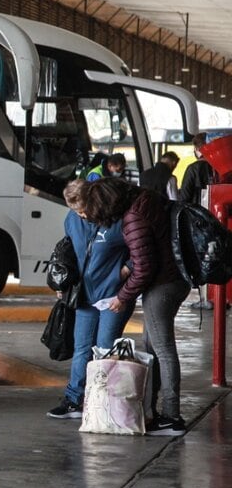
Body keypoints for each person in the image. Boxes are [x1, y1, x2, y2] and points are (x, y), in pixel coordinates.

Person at [81, 178, 191, 436]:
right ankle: (154, 410)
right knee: (154, 347)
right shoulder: (146, 198)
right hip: (176, 278)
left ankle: (172, 417)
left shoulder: (133, 218)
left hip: (162, 285)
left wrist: (122, 296)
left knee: (163, 350)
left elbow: (144, 268)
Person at [46, 179, 131, 419]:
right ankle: (74, 400)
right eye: (76, 211)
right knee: (82, 348)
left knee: (104, 348)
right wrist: (63, 282)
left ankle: (102, 403)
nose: (81, 215)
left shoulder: (118, 220)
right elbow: (68, 251)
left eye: (83, 210)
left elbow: (141, 251)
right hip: (84, 295)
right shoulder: (72, 220)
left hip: (113, 296)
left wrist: (122, 273)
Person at [179, 133, 217, 206]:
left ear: (197, 149)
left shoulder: (193, 168)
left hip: (197, 211)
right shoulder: (219, 167)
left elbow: (184, 197)